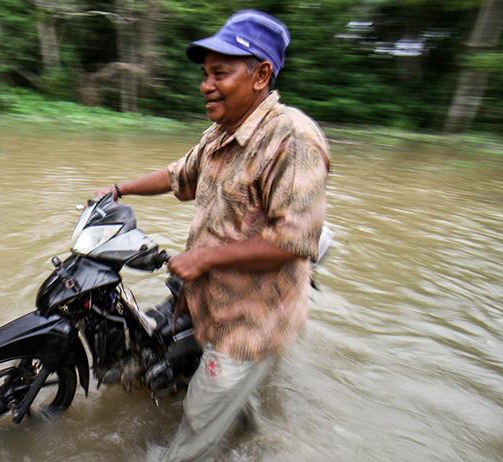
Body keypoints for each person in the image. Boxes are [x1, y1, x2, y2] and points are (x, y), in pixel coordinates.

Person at [95, 10, 330, 461]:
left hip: (247, 322)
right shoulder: (220, 134)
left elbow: (294, 241)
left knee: (196, 427)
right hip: (204, 300)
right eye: (204, 74)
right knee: (225, 398)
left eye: (220, 73)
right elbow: (176, 176)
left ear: (261, 74)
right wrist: (119, 188)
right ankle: (257, 433)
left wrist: (203, 261)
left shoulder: (293, 140)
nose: (206, 84)